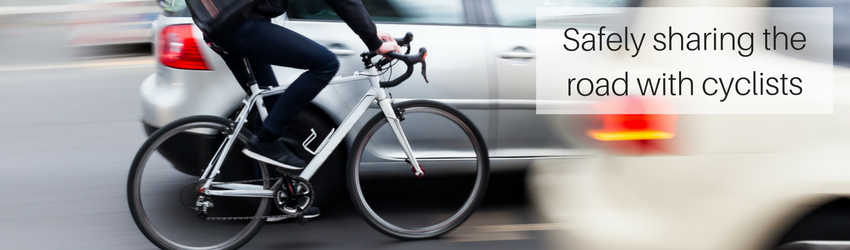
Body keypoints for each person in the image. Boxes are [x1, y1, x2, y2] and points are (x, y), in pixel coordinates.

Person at [200, 0, 401, 219]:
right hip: (239, 24)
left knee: (270, 104)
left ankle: (279, 197)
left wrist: (371, 31)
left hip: (226, 24)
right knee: (325, 64)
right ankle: (265, 142)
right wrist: (372, 40)